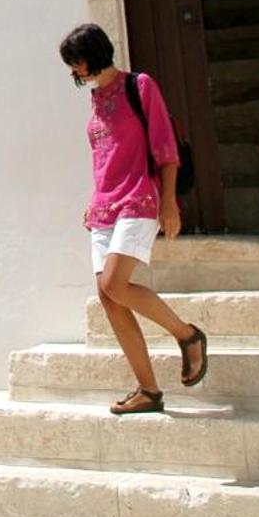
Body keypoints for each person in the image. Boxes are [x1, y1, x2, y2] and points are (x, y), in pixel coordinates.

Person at [59, 23, 208, 415]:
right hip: (105, 207)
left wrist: (169, 201)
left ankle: (187, 335)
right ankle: (148, 391)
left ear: (91, 55)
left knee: (115, 283)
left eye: (75, 63)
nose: (73, 72)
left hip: (140, 198)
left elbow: (165, 146)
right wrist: (94, 200)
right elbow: (104, 157)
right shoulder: (95, 98)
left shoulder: (139, 86)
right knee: (109, 299)